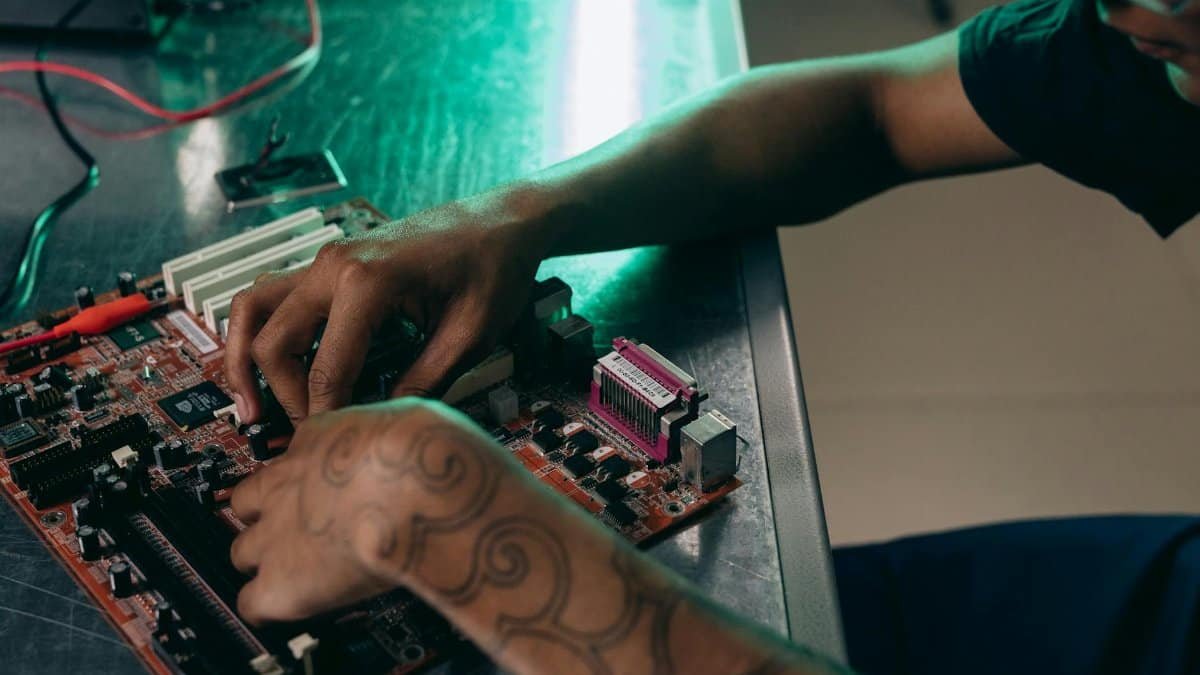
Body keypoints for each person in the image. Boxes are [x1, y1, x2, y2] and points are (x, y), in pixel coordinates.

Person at [222, 1, 1200, 673]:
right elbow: (880, 109)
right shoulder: (1156, 34)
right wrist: (515, 215)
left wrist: (465, 525)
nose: (1128, 12)